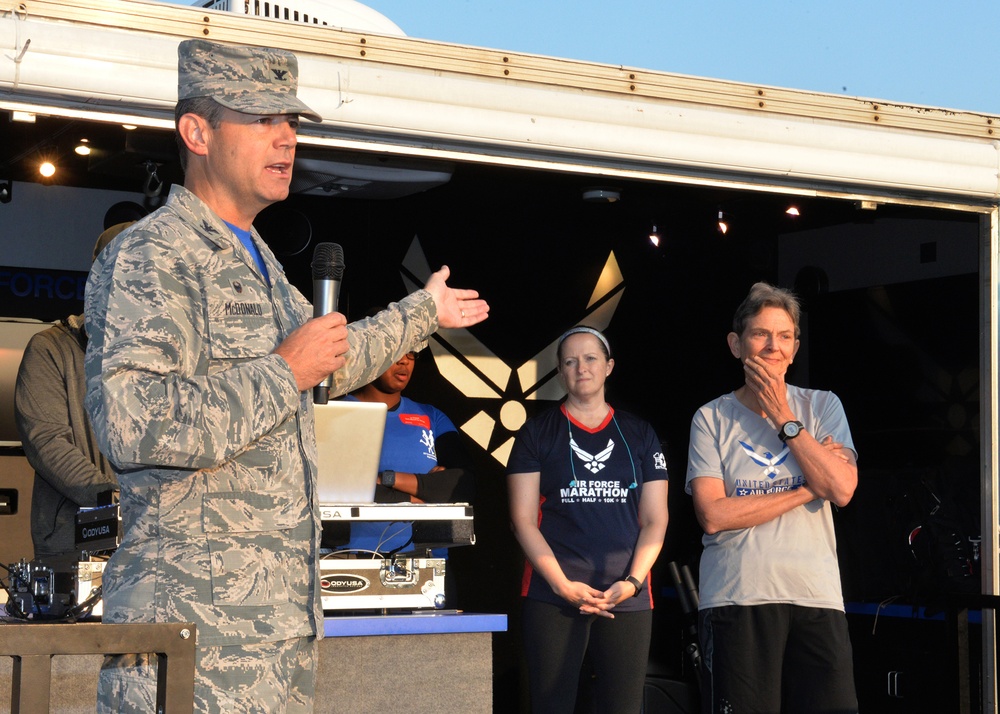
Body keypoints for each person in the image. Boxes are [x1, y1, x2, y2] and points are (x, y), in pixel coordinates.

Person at [84, 39, 488, 713]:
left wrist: (422, 313)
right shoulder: (154, 255)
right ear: (197, 131)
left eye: (292, 123)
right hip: (193, 638)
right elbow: (135, 424)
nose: (287, 139)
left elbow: (330, 358)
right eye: (263, 120)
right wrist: (282, 370)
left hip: (272, 637)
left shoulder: (260, 260)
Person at [686, 282, 858, 714]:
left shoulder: (823, 406)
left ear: (795, 348)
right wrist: (806, 487)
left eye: (784, 337)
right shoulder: (711, 417)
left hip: (815, 596)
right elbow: (713, 514)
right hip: (736, 597)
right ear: (736, 344)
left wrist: (784, 416)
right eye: (761, 334)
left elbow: (841, 489)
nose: (772, 347)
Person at [506, 325, 669, 714]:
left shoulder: (640, 434)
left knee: (623, 706)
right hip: (554, 595)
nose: (582, 368)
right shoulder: (535, 433)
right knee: (552, 705)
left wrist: (631, 582)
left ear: (609, 366)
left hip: (626, 596)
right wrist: (562, 585)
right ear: (560, 372)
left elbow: (656, 520)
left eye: (591, 358)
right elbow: (522, 519)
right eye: (570, 361)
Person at [14, 222, 130, 563]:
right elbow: (47, 443)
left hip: (155, 545)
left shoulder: (170, 355)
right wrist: (117, 502)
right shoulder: (50, 349)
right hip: (74, 543)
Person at [341, 332, 474, 557]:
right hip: (350, 557)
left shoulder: (432, 416)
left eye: (411, 352)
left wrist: (387, 479)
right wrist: (414, 496)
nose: (404, 360)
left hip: (427, 559)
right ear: (369, 352)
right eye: (394, 350)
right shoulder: (336, 414)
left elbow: (463, 484)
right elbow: (334, 487)